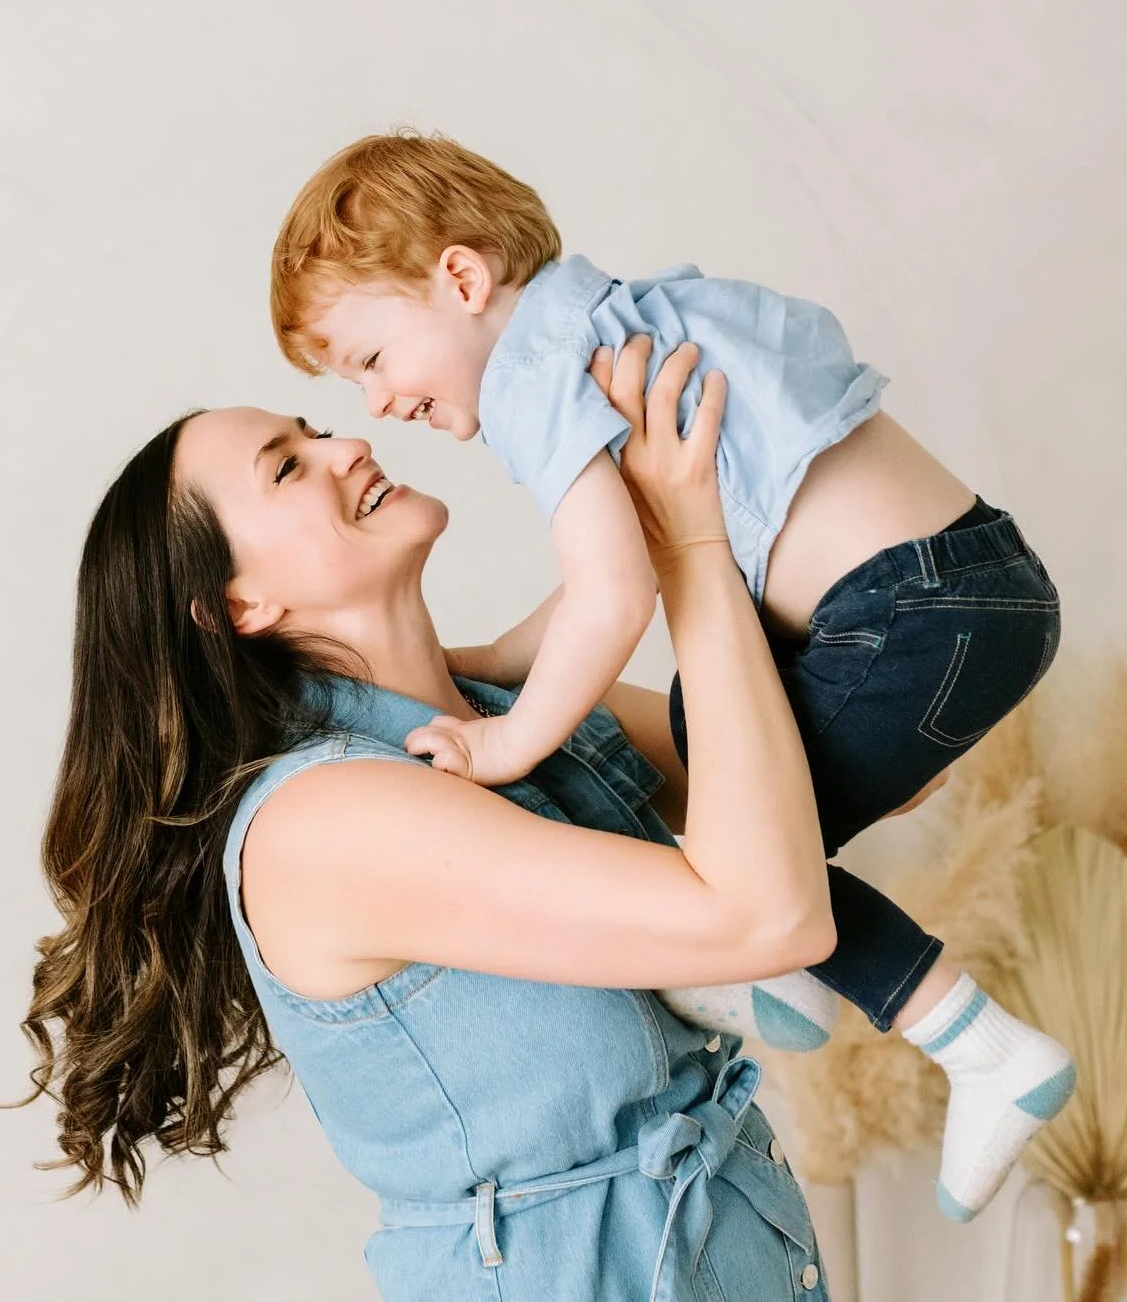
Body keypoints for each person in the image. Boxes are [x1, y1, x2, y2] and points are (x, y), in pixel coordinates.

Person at [266, 131, 1076, 1220]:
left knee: (751, 844)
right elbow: (640, 549)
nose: (376, 404)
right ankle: (787, 979)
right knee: (713, 727)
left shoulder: (537, 381)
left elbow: (616, 595)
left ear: (459, 280)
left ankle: (961, 1038)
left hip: (905, 611)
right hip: (973, 575)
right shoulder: (617, 325)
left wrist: (511, 739)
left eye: (368, 359)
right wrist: (488, 662)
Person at [20, 341, 839, 1300]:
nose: (344, 447)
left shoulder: (507, 712)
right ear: (241, 604)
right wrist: (687, 547)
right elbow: (768, 917)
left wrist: (758, 494)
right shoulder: (323, 820)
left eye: (316, 430)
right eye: (287, 466)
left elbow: (854, 787)